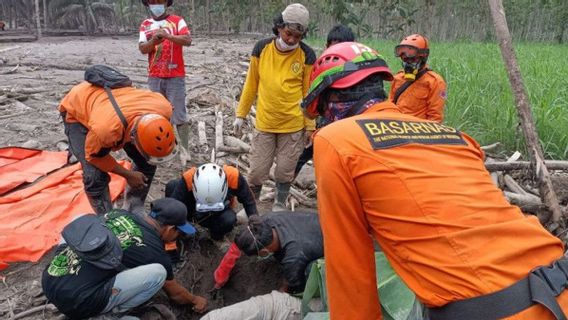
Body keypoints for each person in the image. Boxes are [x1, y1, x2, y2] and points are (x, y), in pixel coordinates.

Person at [302, 41, 568, 319]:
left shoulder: (335, 140)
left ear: (331, 101)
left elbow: (349, 266)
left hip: (500, 308)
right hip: (557, 281)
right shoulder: (455, 136)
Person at [42, 198, 208, 319]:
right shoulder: (156, 253)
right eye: (179, 232)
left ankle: (62, 267)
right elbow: (176, 296)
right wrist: (194, 299)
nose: (178, 236)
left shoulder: (118, 213)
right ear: (170, 229)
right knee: (158, 273)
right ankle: (107, 316)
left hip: (50, 279)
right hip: (79, 304)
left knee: (81, 219)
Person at [232, 3, 316, 211]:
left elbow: (308, 94)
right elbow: (251, 85)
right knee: (257, 171)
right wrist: (240, 115)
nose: (292, 40)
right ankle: (251, 207)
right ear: (279, 27)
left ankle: (279, 202)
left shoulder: (307, 55)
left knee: (285, 171)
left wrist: (310, 126)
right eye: (288, 34)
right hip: (265, 121)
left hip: (293, 124)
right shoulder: (262, 49)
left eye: (298, 37)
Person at [58, 81, 177, 215]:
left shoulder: (164, 108)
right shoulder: (107, 131)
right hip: (78, 108)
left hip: (117, 106)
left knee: (147, 161)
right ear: (132, 139)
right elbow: (94, 156)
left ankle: (134, 207)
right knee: (94, 175)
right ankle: (107, 217)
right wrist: (128, 175)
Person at [294, 24, 355, 177]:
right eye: (334, 47)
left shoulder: (356, 69)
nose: (337, 52)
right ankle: (284, 188)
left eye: (342, 47)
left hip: (347, 127)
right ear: (327, 46)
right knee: (303, 157)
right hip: (323, 123)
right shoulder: (321, 67)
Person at [139, 0, 192, 155]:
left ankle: (184, 149)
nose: (156, 4)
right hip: (154, 76)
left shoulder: (177, 21)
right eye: (152, 1)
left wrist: (168, 36)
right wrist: (154, 40)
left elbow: (187, 40)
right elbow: (143, 49)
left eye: (159, 1)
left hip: (175, 76)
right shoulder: (145, 25)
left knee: (179, 115)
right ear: (148, 4)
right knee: (157, 114)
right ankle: (162, 146)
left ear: (166, 3)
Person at [235, 212, 323, 294]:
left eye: (257, 255)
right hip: (320, 221)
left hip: (332, 246)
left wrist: (284, 290)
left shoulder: (292, 257)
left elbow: (292, 282)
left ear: (264, 252)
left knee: (310, 270)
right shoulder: (266, 220)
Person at [165, 163, 258, 240]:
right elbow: (171, 208)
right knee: (172, 186)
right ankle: (180, 231)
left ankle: (216, 236)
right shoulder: (189, 178)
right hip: (191, 209)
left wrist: (256, 226)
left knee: (229, 219)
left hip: (218, 214)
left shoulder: (233, 177)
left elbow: (249, 202)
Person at [389, 33, 447, 122]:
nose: (408, 63)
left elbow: (435, 117)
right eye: (405, 60)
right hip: (396, 127)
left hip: (417, 130)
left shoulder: (435, 82)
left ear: (423, 58)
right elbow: (390, 106)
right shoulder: (398, 78)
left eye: (412, 59)